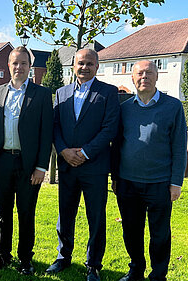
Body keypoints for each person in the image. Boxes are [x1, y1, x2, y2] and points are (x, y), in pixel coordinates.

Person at [47, 48, 120, 281]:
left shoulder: (108, 92)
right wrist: (63, 151)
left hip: (95, 167)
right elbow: (55, 126)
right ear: (73, 66)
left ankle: (93, 264)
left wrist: (86, 153)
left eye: (90, 63)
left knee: (96, 217)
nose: (85, 67)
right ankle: (63, 257)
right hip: (67, 165)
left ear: (97, 66)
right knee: (65, 215)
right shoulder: (61, 93)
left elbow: (110, 128)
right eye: (80, 63)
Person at [111, 60, 187, 281]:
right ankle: (136, 269)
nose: (144, 77)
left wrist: (176, 182)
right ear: (132, 78)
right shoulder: (124, 109)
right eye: (140, 73)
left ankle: (158, 275)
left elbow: (179, 147)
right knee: (131, 231)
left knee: (160, 234)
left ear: (157, 76)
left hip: (160, 183)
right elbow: (116, 145)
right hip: (127, 182)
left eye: (149, 73)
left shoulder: (173, 107)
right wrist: (115, 177)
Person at [0, 46, 53, 275]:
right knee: (2, 213)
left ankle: (26, 259)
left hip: (28, 165)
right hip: (1, 161)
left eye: (24, 63)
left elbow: (46, 134)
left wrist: (41, 167)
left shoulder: (42, 94)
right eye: (15, 63)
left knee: (26, 213)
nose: (19, 67)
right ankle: (2, 255)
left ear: (30, 67)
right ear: (9, 65)